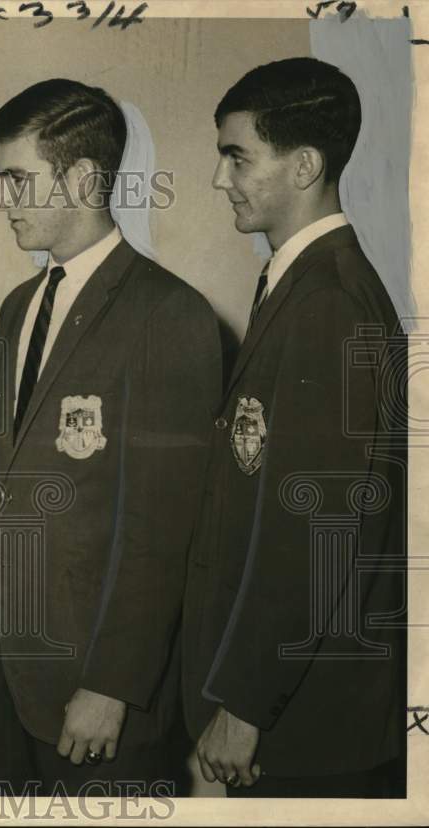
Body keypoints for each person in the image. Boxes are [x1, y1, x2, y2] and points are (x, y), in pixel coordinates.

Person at [0, 78, 221, 796]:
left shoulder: (170, 315)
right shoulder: (21, 304)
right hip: (0, 678)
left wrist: (113, 686)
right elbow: (5, 485)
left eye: (20, 181)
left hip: (95, 692)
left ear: (84, 178)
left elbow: (163, 532)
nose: (5, 201)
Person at [181, 57, 406, 798]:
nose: (222, 179)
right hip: (294, 706)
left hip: (303, 722)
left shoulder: (328, 303)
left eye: (236, 156)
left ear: (304, 164)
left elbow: (315, 529)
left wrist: (245, 704)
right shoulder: (304, 284)